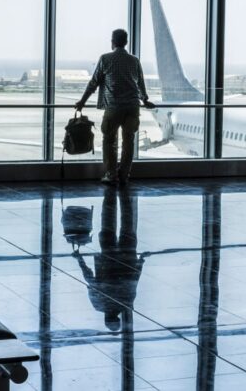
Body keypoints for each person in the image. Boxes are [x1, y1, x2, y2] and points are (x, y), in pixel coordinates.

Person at [76, 29, 154, 186]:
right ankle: (124, 175)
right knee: (129, 142)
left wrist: (82, 101)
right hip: (133, 107)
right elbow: (140, 84)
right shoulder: (134, 60)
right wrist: (145, 100)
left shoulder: (105, 59)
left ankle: (111, 174)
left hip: (114, 106)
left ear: (112, 41)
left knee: (109, 140)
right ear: (126, 42)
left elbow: (94, 83)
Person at [73, 187, 148, 332]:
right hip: (107, 257)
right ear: (106, 318)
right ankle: (110, 195)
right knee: (108, 220)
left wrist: (141, 260)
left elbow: (134, 279)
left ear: (118, 318)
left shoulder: (126, 303)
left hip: (127, 257)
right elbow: (90, 278)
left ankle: (122, 194)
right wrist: (79, 259)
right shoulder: (99, 304)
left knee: (127, 221)